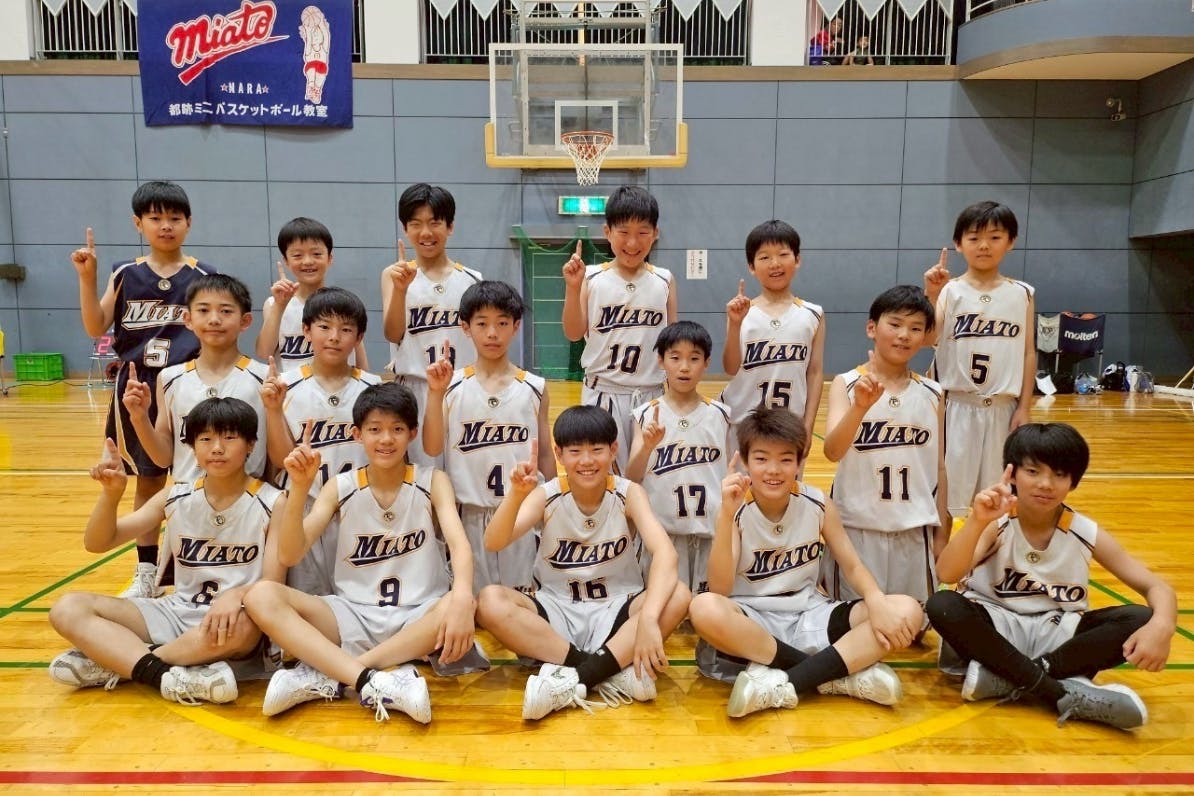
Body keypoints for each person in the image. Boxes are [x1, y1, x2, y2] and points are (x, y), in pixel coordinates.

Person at [243, 383, 477, 723]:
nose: (386, 439)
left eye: (397, 429)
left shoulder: (433, 480)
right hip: (352, 615)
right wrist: (300, 488)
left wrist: (462, 596)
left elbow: (459, 546)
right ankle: (375, 678)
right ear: (357, 434)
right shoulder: (340, 486)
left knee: (462, 600)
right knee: (261, 595)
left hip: (419, 615)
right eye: (375, 429)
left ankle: (336, 674)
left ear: (412, 433)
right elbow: (290, 555)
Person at [926, 423, 1175, 731]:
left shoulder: (1083, 531)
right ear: (1012, 473)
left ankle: (1010, 677)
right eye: (1033, 471)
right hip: (995, 628)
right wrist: (977, 521)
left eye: (1059, 474)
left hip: (1056, 637)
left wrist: (1163, 626)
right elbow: (947, 573)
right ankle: (1055, 692)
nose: (1045, 484)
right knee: (944, 605)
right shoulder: (997, 522)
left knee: (1140, 617)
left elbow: (1156, 586)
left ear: (1073, 481)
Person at [47, 398, 284, 705]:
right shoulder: (175, 496)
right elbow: (98, 542)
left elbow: (273, 581)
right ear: (192, 447)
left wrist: (237, 595)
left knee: (246, 627)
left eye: (229, 437)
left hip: (230, 621)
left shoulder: (272, 502)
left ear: (251, 444)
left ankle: (120, 662)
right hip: (174, 612)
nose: (217, 448)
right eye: (205, 439)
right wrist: (111, 495)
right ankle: (164, 674)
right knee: (67, 608)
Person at [688, 407, 923, 718]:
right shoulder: (735, 508)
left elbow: (852, 566)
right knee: (703, 607)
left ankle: (785, 681)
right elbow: (719, 588)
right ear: (744, 461)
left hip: (809, 614)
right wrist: (726, 516)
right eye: (761, 459)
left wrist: (876, 600)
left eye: (785, 459)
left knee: (908, 610)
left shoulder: (818, 503)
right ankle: (835, 676)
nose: (773, 470)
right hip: (753, 621)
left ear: (799, 462)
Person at [476, 405, 691, 720]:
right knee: (489, 601)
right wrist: (515, 496)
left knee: (679, 595)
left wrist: (648, 618)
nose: (587, 461)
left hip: (616, 608)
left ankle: (571, 679)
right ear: (559, 455)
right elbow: (493, 542)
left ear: (613, 450)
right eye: (575, 451)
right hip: (557, 609)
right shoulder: (547, 495)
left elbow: (666, 554)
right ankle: (605, 671)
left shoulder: (629, 494)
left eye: (597, 450)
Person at [71, 180, 216, 598]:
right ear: (139, 223)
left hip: (189, 386)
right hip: (138, 387)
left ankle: (205, 561)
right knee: (149, 482)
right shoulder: (124, 274)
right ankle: (148, 571)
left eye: (174, 218)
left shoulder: (204, 275)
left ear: (189, 223)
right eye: (155, 218)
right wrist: (87, 278)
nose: (165, 225)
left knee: (204, 477)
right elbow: (95, 326)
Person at [422, 280, 556, 592]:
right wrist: (434, 394)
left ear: (516, 326)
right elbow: (432, 447)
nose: (492, 333)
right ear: (465, 327)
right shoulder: (452, 386)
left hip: (519, 515)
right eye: (482, 324)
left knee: (521, 601)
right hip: (467, 514)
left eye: (502, 323)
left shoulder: (534, 387)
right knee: (471, 601)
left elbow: (545, 454)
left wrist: (552, 504)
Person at [819, 286, 948, 604]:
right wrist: (860, 407)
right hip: (857, 529)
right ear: (872, 328)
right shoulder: (846, 384)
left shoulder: (933, 393)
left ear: (925, 337)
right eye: (895, 324)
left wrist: (942, 530)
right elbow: (832, 451)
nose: (904, 335)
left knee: (913, 622)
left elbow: (940, 468)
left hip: (914, 529)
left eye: (915, 328)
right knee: (855, 619)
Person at [261, 286, 381, 595]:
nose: (334, 337)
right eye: (324, 327)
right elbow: (279, 459)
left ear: (359, 337)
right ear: (306, 330)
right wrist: (273, 410)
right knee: (306, 601)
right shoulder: (283, 386)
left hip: (359, 508)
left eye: (346, 329)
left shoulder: (373, 388)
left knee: (358, 600)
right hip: (304, 508)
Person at [923, 200, 1035, 515]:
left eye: (995, 237)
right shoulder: (949, 291)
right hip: (955, 406)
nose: (984, 245)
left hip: (1003, 408)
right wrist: (932, 295)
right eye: (974, 238)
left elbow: (1028, 352)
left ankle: (992, 550)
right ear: (959, 244)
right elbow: (928, 339)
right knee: (944, 501)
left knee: (999, 499)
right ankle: (942, 549)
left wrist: (1024, 406)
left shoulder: (1022, 293)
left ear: (1011, 242)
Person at [562, 186, 677, 472]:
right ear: (607, 232)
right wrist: (572, 288)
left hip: (651, 393)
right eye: (624, 232)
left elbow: (673, 345)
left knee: (650, 477)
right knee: (602, 478)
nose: (632, 242)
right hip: (603, 392)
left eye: (643, 232)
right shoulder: (591, 278)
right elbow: (573, 333)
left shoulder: (664, 280)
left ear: (656, 233)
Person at [125, 274, 269, 485]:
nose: (214, 319)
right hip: (187, 497)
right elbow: (163, 458)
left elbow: (274, 456)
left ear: (245, 321)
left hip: (247, 497)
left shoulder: (265, 377)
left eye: (226, 311)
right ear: (188, 319)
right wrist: (139, 418)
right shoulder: (170, 378)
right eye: (203, 310)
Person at [381, 184, 482, 466]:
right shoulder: (394, 275)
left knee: (464, 472)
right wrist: (400, 290)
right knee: (422, 476)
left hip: (461, 388)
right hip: (415, 389)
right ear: (405, 228)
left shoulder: (472, 279)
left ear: (450, 227)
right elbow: (392, 334)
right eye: (416, 224)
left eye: (435, 222)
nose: (425, 232)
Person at [626, 320, 730, 594]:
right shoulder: (645, 414)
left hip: (710, 533)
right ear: (661, 360)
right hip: (664, 536)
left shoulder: (721, 415)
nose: (684, 367)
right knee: (667, 605)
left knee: (707, 606)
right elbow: (632, 477)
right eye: (675, 358)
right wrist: (646, 447)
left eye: (694, 358)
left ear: (706, 363)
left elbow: (731, 473)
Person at [720, 220, 824, 467]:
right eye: (764, 257)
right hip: (743, 423)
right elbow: (730, 368)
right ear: (751, 266)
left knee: (784, 487)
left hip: (790, 425)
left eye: (783, 254)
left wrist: (808, 426)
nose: (775, 263)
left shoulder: (813, 314)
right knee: (740, 489)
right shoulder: (741, 311)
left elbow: (815, 372)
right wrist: (734, 324)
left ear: (797, 259)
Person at [255, 217, 368, 374]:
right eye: (297, 255)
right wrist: (280, 306)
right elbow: (264, 352)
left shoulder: (344, 303)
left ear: (329, 258)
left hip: (339, 387)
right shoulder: (274, 304)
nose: (308, 261)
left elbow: (360, 362)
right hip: (290, 388)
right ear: (286, 260)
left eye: (316, 254)